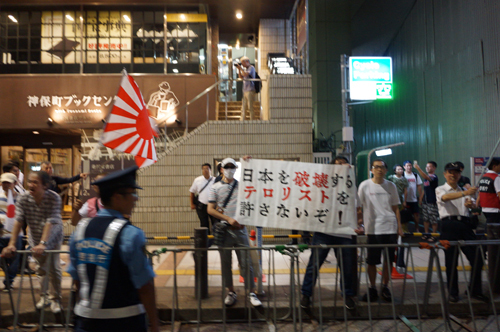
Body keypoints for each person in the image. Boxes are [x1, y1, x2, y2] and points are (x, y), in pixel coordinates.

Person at [67, 166, 159, 332]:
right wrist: (154, 324)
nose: (135, 199)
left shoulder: (79, 231)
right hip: (125, 323)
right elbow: (145, 286)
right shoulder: (131, 234)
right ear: (117, 198)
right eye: (132, 194)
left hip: (85, 322)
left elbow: (77, 280)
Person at [300, 156, 363, 310]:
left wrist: (358, 224)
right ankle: (306, 294)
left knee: (347, 266)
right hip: (323, 231)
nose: (341, 166)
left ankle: (348, 295)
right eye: (337, 164)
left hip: (345, 233)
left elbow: (358, 209)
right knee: (314, 264)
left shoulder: (351, 186)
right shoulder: (323, 183)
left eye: (343, 164)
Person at [1, 171, 64, 313]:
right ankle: (44, 296)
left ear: (45, 185)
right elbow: (18, 220)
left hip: (53, 236)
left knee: (54, 268)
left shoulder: (54, 198)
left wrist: (43, 243)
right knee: (40, 269)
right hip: (35, 235)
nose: (30, 185)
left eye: (35, 182)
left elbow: (50, 222)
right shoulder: (24, 199)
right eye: (29, 181)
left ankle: (56, 299)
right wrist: (12, 243)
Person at [207, 158, 262, 307]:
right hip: (224, 231)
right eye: (227, 167)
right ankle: (231, 292)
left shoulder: (243, 187)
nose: (230, 169)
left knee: (246, 263)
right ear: (222, 169)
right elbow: (210, 209)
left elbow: (257, 187)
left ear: (236, 169)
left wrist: (251, 164)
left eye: (233, 167)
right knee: (226, 263)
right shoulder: (215, 187)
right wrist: (227, 218)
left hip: (241, 230)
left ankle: (251, 292)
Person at [435, 162, 487, 303]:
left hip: (465, 225)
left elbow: (472, 209)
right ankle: (453, 292)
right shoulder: (441, 189)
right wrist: (465, 193)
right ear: (445, 174)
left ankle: (474, 290)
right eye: (450, 172)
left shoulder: (464, 191)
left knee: (477, 258)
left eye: (456, 172)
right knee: (451, 260)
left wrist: (471, 206)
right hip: (448, 225)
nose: (453, 174)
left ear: (460, 175)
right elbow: (445, 198)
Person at [358, 159, 403, 303]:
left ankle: (385, 286)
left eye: (382, 167)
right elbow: (358, 207)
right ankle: (372, 287)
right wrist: (359, 223)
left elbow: (396, 208)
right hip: (373, 229)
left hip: (390, 227)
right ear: (371, 170)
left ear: (386, 170)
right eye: (376, 167)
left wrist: (399, 226)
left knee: (389, 261)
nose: (379, 169)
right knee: (372, 261)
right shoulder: (365, 185)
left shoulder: (391, 186)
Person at [0, 172, 23, 292]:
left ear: (14, 183)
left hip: (15, 234)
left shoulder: (20, 198)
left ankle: (9, 282)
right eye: (3, 182)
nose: (5, 185)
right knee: (3, 258)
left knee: (14, 258)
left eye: (8, 183)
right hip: (1, 233)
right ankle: (6, 272)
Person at [414, 161, 440, 240]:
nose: (427, 168)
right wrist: (421, 198)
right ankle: (426, 233)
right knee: (425, 219)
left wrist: (418, 168)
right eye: (426, 166)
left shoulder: (434, 177)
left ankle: (434, 235)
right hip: (425, 201)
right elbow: (425, 190)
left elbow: (426, 177)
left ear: (434, 168)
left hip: (432, 201)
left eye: (429, 166)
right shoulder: (426, 178)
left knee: (433, 219)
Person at [190, 163, 217, 236]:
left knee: (215, 223)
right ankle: (206, 241)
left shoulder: (215, 180)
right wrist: (192, 204)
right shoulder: (197, 180)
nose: (205, 170)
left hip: (213, 206)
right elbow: (192, 192)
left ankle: (215, 240)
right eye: (203, 169)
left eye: (207, 169)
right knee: (204, 224)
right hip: (202, 206)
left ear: (210, 170)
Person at [478, 157, 500, 224]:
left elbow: (480, 193)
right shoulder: (496, 177)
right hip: (495, 208)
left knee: (489, 227)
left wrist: (477, 203)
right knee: (495, 230)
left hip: (484, 208)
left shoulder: (483, 177)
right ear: (494, 166)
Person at [403, 160, 423, 232]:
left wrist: (420, 197)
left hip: (414, 199)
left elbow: (419, 186)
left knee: (416, 214)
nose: (409, 167)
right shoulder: (402, 175)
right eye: (407, 166)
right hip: (405, 200)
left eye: (410, 165)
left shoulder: (415, 175)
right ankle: (405, 229)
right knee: (405, 215)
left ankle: (417, 228)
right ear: (404, 167)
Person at [235, 56, 257, 121]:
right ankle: (242, 119)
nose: (242, 65)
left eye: (243, 63)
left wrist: (241, 68)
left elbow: (245, 75)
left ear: (247, 62)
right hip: (245, 90)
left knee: (250, 106)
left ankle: (252, 119)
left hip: (250, 90)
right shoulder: (245, 69)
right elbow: (241, 77)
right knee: (243, 106)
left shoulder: (251, 68)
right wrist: (239, 69)